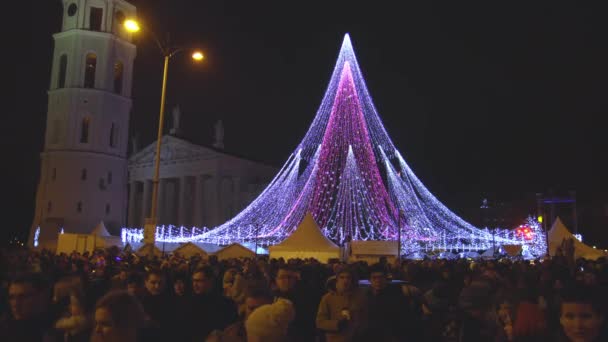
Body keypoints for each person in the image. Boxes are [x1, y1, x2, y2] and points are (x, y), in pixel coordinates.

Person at [316, 268, 368, 342]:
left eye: (348, 277)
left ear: (352, 280)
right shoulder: (328, 298)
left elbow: (365, 317)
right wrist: (337, 324)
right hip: (336, 338)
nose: (345, 280)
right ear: (337, 279)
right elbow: (320, 322)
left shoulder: (359, 297)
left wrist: (360, 329)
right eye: (342, 277)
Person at [207, 286, 274, 342]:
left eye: (261, 309)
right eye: (251, 309)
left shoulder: (279, 333)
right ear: (245, 307)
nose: (256, 313)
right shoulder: (231, 333)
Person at [188, 266, 238, 341]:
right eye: (193, 281)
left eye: (199, 281)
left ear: (210, 281)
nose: (195, 284)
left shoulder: (226, 304)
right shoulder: (189, 303)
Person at [0, 272, 54, 342]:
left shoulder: (54, 327)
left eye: (23, 297)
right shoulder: (4, 328)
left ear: (41, 297)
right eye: (12, 297)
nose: (15, 304)